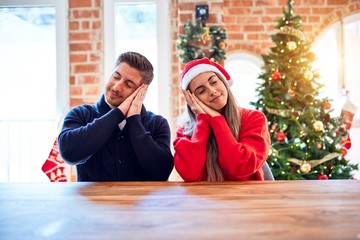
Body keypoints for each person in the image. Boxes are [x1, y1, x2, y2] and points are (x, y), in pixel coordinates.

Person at [58, 51, 174, 181]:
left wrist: (134, 119)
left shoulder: (157, 124)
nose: (117, 87)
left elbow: (161, 173)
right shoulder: (80, 114)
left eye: (128, 84)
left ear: (141, 91)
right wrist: (118, 113)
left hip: (140, 201)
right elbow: (68, 153)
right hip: (93, 201)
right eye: (116, 77)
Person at [173, 57, 271, 181]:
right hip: (205, 198)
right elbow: (190, 175)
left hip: (246, 197)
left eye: (213, 82)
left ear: (223, 82)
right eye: (201, 91)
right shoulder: (185, 131)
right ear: (193, 100)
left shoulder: (254, 118)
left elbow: (240, 167)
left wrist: (217, 119)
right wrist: (202, 119)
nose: (212, 91)